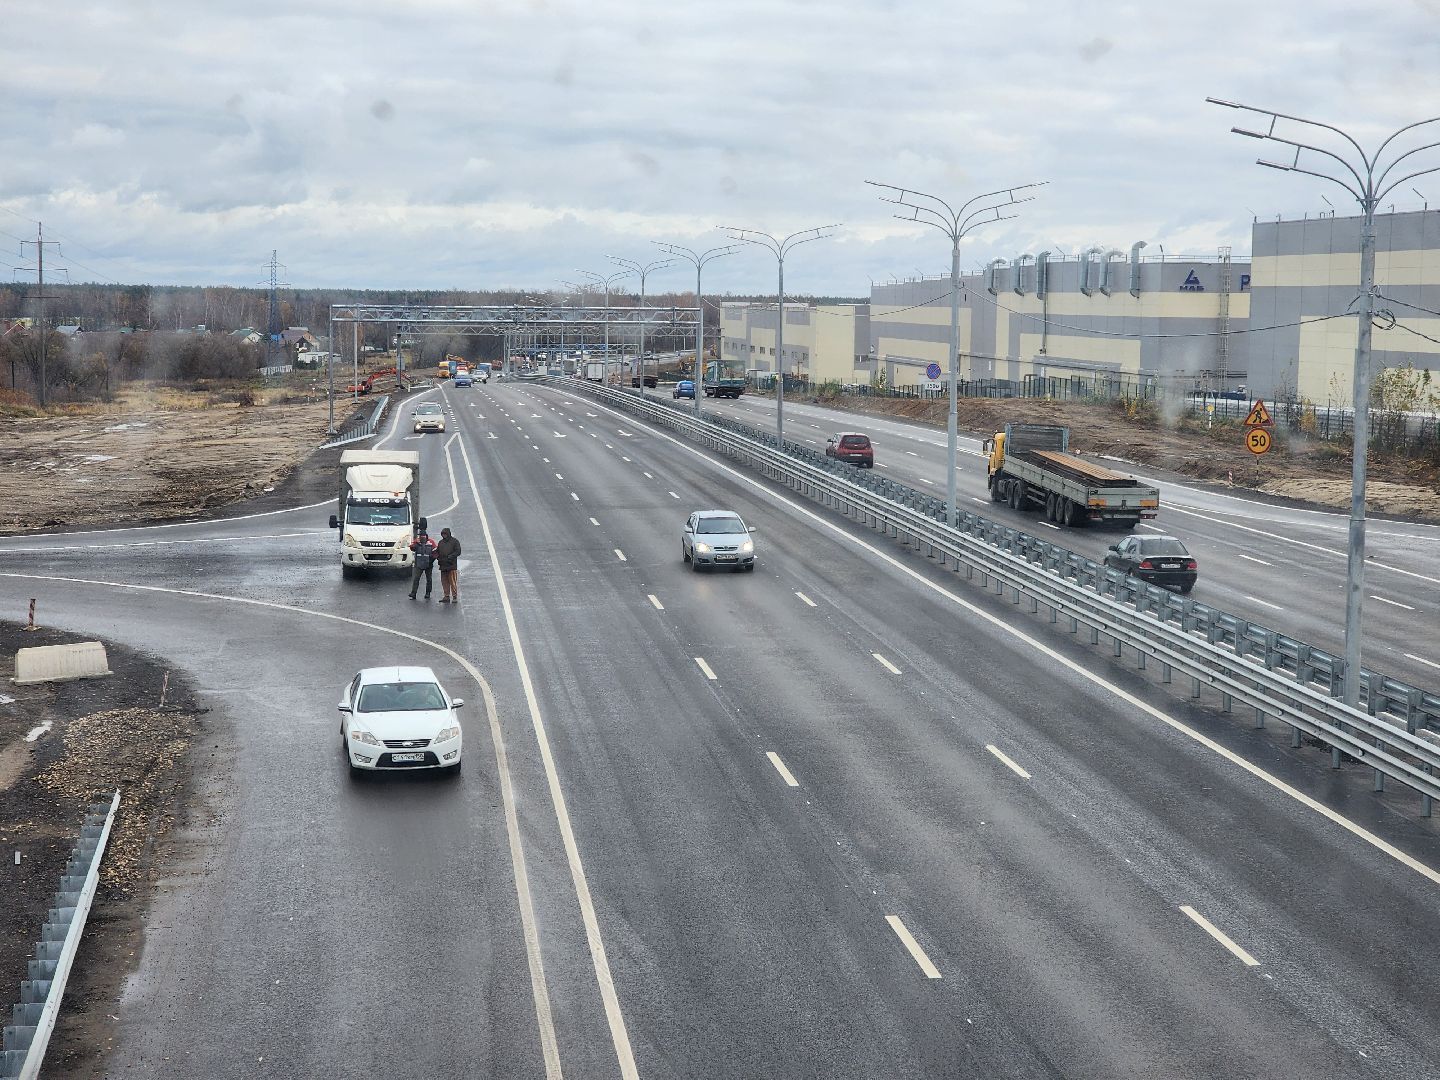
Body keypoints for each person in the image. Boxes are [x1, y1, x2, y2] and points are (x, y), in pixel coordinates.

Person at [435, 527, 462, 603]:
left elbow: (458, 551)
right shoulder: (440, 542)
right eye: (443, 534)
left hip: (451, 565)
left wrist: (450, 557)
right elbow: (437, 551)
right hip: (443, 565)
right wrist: (437, 556)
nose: (444, 535)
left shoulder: (455, 541)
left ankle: (454, 596)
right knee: (444, 582)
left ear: (448, 534)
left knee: (453, 581)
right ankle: (446, 596)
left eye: (445, 534)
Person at [408, 530, 437, 600]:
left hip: (428, 564)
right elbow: (412, 547)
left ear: (426, 536)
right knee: (416, 578)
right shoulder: (417, 542)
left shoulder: (431, 542)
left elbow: (436, 552)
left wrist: (431, 560)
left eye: (422, 536)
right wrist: (416, 542)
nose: (421, 537)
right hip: (419, 564)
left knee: (429, 579)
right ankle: (413, 593)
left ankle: (428, 593)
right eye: (420, 536)